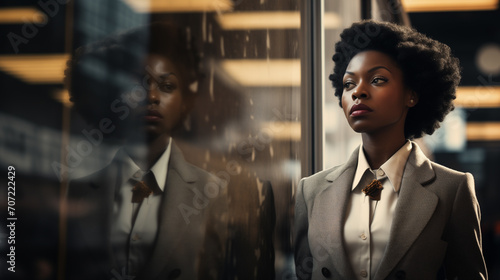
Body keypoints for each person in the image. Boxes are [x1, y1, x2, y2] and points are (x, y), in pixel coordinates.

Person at [294, 20, 488, 280]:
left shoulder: (452, 189)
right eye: (348, 84)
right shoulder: (311, 191)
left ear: (412, 95)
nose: (358, 92)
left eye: (377, 79)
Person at [64, 22, 228, 280]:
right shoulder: (76, 192)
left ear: (184, 102)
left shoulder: (214, 194)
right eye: (138, 85)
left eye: (167, 86)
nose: (151, 96)